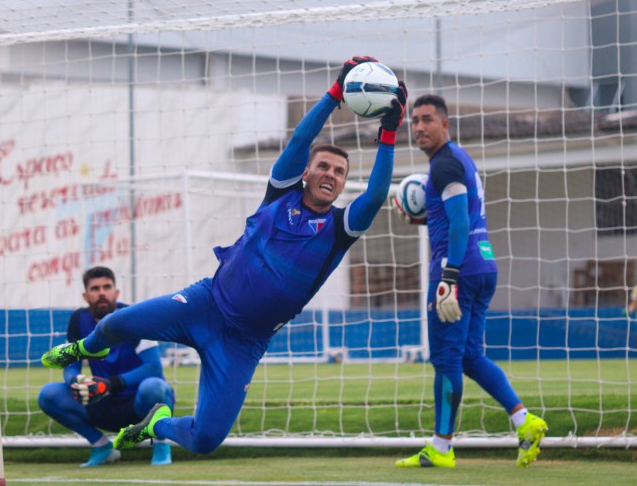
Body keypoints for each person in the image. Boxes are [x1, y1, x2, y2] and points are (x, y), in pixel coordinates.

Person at [41, 57, 408, 456]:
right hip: (204, 304)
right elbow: (300, 142)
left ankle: (155, 425)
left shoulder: (340, 229)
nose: (331, 175)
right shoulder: (281, 193)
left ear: (341, 185)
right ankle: (86, 348)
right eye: (324, 166)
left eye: (339, 172)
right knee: (114, 324)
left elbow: (374, 195)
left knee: (204, 440)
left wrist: (388, 134)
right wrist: (334, 94)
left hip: (243, 343)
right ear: (307, 172)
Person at [392, 94, 547, 469]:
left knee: (446, 361)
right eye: (414, 121)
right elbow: (456, 216)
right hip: (483, 265)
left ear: (445, 124)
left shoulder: (444, 164)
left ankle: (441, 448)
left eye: (427, 119)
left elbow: (460, 221)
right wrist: (425, 219)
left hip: (457, 271)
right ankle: (525, 421)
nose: (419, 128)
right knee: (470, 357)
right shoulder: (459, 158)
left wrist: (449, 276)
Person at [38, 266, 175, 467]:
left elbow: (153, 368)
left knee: (154, 387)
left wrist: (110, 384)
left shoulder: (134, 317)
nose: (101, 292)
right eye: (95, 288)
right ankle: (101, 446)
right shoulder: (78, 320)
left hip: (139, 406)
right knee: (49, 395)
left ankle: (162, 444)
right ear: (86, 296)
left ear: (116, 293)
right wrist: (75, 381)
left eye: (106, 287)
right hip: (102, 404)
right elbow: (71, 367)